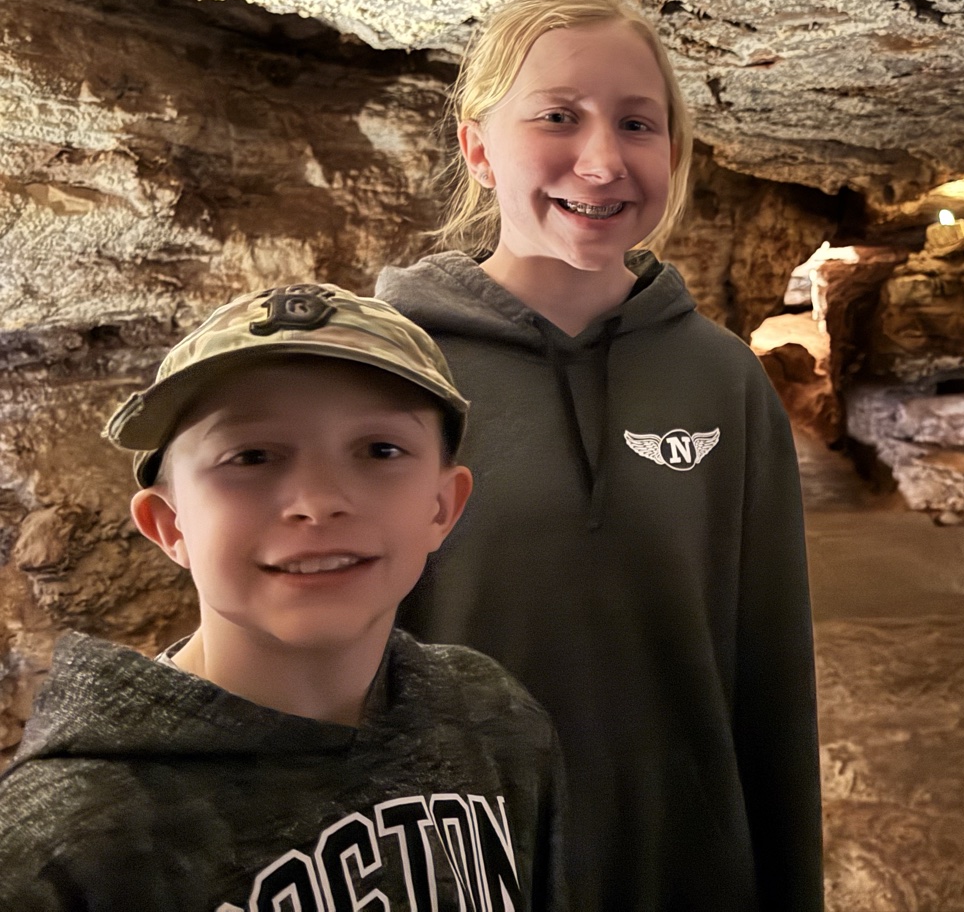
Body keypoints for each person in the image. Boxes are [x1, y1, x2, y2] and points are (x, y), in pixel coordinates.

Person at [376, 0, 823, 911]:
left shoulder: (725, 382)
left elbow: (771, 675)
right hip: (459, 870)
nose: (603, 159)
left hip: (686, 867)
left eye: (638, 123)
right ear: (477, 147)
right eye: (557, 116)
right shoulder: (388, 372)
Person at [0, 283, 566, 912]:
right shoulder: (66, 842)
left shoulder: (493, 719)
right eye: (251, 456)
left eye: (381, 450)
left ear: (443, 506)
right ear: (170, 524)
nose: (318, 500)